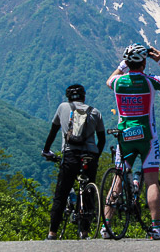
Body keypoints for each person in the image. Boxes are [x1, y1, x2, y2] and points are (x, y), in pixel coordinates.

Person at [102, 43, 160, 240]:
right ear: (144, 63)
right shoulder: (150, 81)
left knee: (118, 179)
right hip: (147, 136)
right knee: (152, 181)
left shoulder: (118, 82)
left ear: (128, 63)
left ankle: (107, 226)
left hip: (125, 136)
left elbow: (109, 79)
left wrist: (125, 63)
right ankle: (156, 227)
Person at [41, 84, 105, 240]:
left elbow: (53, 132)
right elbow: (102, 139)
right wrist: (95, 157)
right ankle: (84, 232)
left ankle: (52, 233)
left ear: (68, 97)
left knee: (61, 194)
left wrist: (46, 150)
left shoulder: (63, 107)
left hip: (70, 154)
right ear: (84, 97)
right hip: (90, 155)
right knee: (88, 192)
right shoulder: (95, 112)